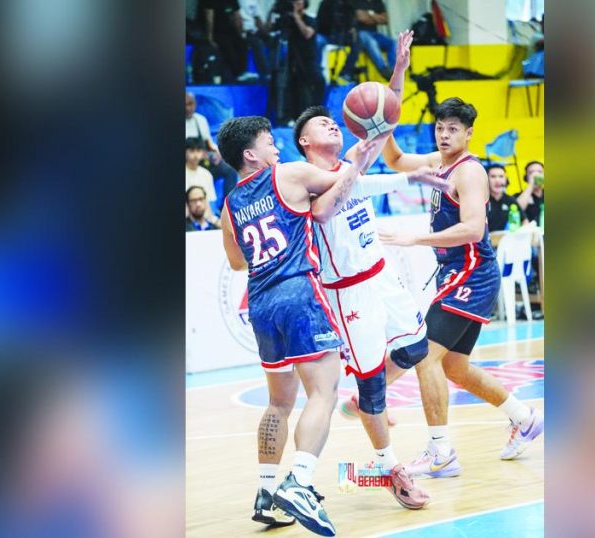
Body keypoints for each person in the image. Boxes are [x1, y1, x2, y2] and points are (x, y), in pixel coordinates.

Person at [291, 28, 446, 513]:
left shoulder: (351, 160)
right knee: (373, 379)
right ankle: (389, 466)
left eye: (334, 122)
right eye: (323, 125)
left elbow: (384, 117)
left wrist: (398, 70)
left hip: (380, 273)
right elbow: (325, 210)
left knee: (416, 347)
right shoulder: (303, 181)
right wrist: (367, 169)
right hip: (347, 292)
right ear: (305, 141)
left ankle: (363, 403)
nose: (333, 127)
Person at [218, 115, 379, 537]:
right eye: (269, 142)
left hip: (261, 304)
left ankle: (266, 492)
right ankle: (300, 482)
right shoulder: (288, 174)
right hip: (299, 294)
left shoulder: (229, 206)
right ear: (251, 154)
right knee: (324, 393)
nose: (276, 148)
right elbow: (339, 187)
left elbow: (236, 262)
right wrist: (358, 160)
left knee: (278, 404)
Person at [377, 97, 545, 477]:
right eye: (440, 128)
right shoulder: (438, 161)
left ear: (468, 134)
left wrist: (414, 239)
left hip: (472, 272)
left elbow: (472, 229)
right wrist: (382, 126)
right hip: (458, 272)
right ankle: (524, 418)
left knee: (425, 356)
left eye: (453, 129)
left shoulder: (469, 173)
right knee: (454, 366)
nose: (444, 134)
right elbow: (396, 161)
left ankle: (440, 452)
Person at [274, 0, 326, 124]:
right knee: (292, 87)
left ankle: (317, 114)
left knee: (319, 81)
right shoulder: (286, 21)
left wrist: (296, 17)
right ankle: (289, 117)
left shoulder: (310, 20)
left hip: (309, 60)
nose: (296, 3)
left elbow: (307, 33)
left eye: (299, 1)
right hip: (292, 61)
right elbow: (271, 31)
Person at [338, 0, 396, 82]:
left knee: (392, 43)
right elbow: (360, 17)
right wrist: (376, 17)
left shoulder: (378, 2)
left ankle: (394, 72)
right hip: (361, 33)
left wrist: (369, 15)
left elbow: (385, 19)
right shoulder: (356, 2)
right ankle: (384, 70)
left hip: (375, 34)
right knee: (371, 42)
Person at [203, 0, 259, 82]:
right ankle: (236, 73)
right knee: (227, 45)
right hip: (216, 31)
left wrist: (241, 34)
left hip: (229, 29)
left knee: (242, 43)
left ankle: (243, 71)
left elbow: (236, 15)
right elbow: (209, 17)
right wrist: (209, 37)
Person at [486, 164, 526, 231]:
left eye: (501, 176)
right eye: (493, 176)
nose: (497, 180)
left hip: (507, 236)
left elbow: (525, 221)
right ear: (486, 179)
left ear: (506, 179)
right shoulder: (481, 200)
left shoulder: (510, 200)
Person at [185, 138, 218, 210]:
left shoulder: (207, 174)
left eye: (198, 151)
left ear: (203, 153)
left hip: (204, 212)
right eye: (192, 151)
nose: (195, 155)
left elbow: (211, 201)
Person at [516, 160, 544, 227]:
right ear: (526, 177)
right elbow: (517, 210)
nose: (536, 175)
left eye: (539, 172)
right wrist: (531, 185)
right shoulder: (519, 196)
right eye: (531, 173)